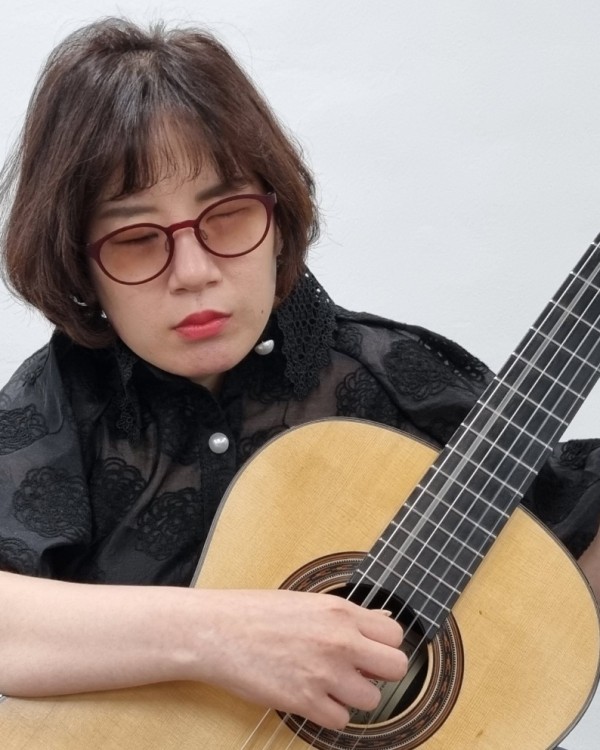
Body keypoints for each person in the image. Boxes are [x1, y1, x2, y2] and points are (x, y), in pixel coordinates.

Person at [0, 16, 597, 745]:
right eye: (134, 239)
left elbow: (560, 572)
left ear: (277, 218)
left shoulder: (392, 378)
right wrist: (224, 636)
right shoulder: (56, 409)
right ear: (78, 260)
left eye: (228, 216)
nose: (194, 272)